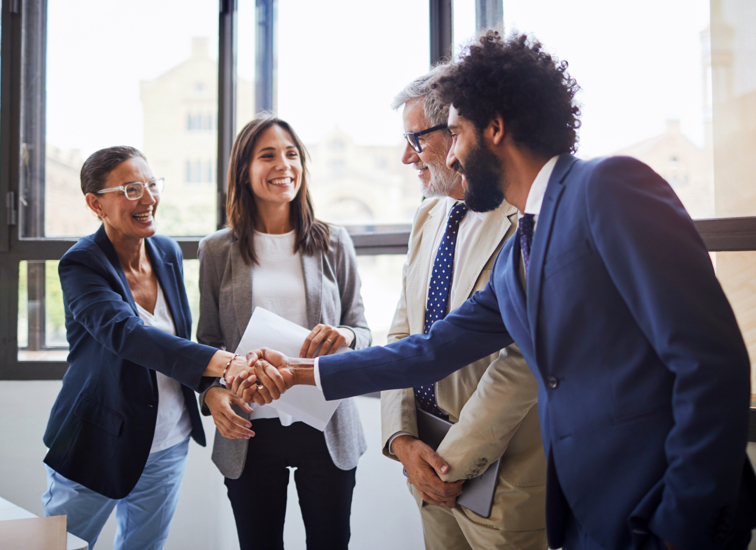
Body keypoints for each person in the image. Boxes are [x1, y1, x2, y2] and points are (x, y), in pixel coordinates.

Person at [243, 32, 756, 550]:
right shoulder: (520, 253)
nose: (455, 155)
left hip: (661, 513)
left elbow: (712, 366)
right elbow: (431, 350)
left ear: (495, 128)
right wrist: (297, 373)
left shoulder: (608, 186)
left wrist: (682, 528)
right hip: (589, 519)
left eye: (458, 133)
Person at [42, 146, 250, 550]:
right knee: (58, 546)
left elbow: (175, 343)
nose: (149, 199)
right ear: (95, 203)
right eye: (131, 189)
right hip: (96, 441)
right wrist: (220, 362)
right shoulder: (81, 264)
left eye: (152, 185)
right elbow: (125, 334)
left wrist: (210, 386)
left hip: (167, 441)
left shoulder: (167, 252)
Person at [382, 68, 546, 549]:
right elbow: (402, 334)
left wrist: (450, 462)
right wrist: (401, 440)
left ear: (460, 130)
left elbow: (522, 364)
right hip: (423, 458)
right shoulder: (428, 212)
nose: (406, 156)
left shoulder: (524, 219)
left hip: (502, 476)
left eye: (416, 139)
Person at [197, 114, 371, 550]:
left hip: (325, 424)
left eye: (292, 154)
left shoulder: (334, 241)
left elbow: (363, 329)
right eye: (268, 155)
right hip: (251, 427)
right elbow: (206, 343)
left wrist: (346, 336)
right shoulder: (217, 249)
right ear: (244, 170)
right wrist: (212, 393)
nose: (284, 165)